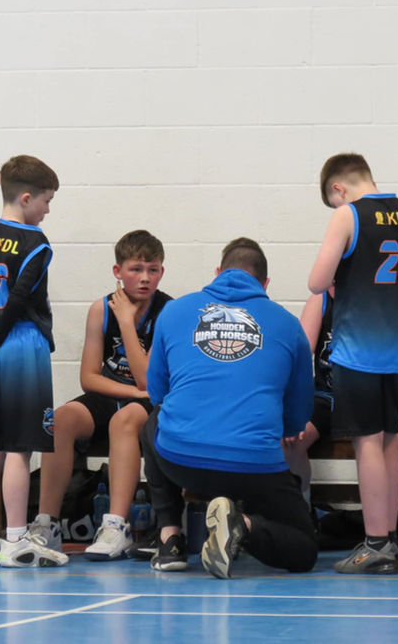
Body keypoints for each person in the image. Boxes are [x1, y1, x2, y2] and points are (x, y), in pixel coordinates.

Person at [142, 238, 316, 578]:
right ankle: (243, 526)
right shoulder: (287, 324)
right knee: (304, 549)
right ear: (265, 283)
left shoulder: (174, 311)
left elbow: (156, 392)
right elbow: (298, 417)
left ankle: (170, 537)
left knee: (153, 423)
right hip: (254, 467)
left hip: (180, 459)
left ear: (218, 272)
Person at [307, 153, 398, 574]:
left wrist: (342, 272)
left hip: (359, 348)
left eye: (333, 200)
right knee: (390, 439)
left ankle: (376, 543)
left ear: (338, 188)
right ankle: (388, 538)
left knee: (367, 443)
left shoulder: (348, 215)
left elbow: (317, 282)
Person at [29, 230, 172, 560]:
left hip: (150, 401)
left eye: (152, 270)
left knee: (124, 420)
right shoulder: (101, 309)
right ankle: (47, 523)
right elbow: (89, 378)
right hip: (116, 392)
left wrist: (126, 322)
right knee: (60, 419)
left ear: (161, 272)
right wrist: (133, 390)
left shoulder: (168, 312)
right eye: (136, 269)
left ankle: (115, 526)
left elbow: (148, 380)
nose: (145, 278)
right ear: (118, 271)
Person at [0, 154, 68, 567]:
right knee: (20, 449)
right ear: (25, 198)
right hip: (19, 344)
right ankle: (17, 539)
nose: (48, 210)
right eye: (46, 201)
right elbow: (19, 300)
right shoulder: (37, 243)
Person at [282, 287, 334, 503]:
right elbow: (300, 357)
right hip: (327, 395)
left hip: (361, 396)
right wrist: (291, 409)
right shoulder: (321, 299)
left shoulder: (369, 299)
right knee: (290, 439)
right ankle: (303, 509)